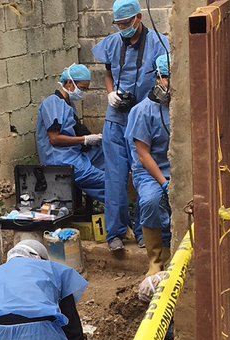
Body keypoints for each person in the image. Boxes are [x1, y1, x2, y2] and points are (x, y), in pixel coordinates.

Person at [93, 0, 170, 251]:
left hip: (142, 119)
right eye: (119, 24)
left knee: (142, 176)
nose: (123, 28)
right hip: (116, 118)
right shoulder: (114, 43)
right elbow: (108, 71)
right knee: (114, 177)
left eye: (127, 23)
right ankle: (114, 233)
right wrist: (110, 93)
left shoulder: (159, 45)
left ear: (139, 17)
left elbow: (166, 75)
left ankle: (142, 232)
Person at [127, 53, 173, 275]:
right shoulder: (143, 112)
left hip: (175, 168)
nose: (169, 83)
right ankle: (155, 260)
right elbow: (143, 155)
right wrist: (164, 183)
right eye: (166, 78)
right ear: (157, 77)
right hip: (148, 171)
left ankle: (173, 254)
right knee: (152, 202)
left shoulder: (180, 108)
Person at [35, 63, 105, 203]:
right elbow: (54, 138)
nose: (83, 92)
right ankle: (119, 221)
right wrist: (84, 139)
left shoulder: (69, 105)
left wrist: (96, 139)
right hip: (61, 160)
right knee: (110, 184)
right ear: (69, 83)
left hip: (74, 154)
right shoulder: (53, 103)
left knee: (108, 151)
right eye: (82, 88)